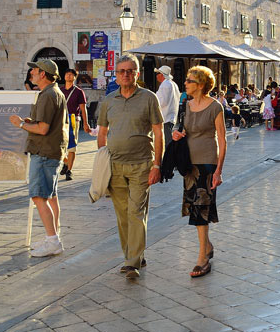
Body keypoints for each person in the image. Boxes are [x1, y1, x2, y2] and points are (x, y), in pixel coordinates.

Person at [97, 54, 164, 279]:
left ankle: (132, 261)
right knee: (123, 215)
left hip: (142, 165)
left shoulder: (149, 98)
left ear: (137, 73)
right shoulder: (108, 101)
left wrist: (157, 165)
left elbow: (158, 131)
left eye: (130, 71)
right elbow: (102, 133)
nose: (126, 74)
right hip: (115, 166)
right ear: (116, 75)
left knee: (136, 212)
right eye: (121, 71)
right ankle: (134, 254)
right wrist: (102, 163)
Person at [8, 60, 67, 257]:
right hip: (52, 151)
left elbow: (43, 129)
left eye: (34, 69)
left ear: (43, 74)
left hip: (44, 152)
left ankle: (53, 240)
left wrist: (20, 124)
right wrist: (29, 121)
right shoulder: (54, 93)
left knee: (38, 196)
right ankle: (53, 236)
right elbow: (45, 123)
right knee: (50, 196)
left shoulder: (48, 95)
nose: (31, 72)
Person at [173, 66, 226, 278]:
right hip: (189, 163)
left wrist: (218, 171)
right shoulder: (185, 105)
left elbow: (222, 140)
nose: (185, 83)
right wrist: (177, 135)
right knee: (194, 208)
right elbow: (179, 130)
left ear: (201, 85)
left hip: (207, 163)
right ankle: (207, 245)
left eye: (189, 80)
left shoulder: (215, 107)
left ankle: (202, 259)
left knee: (202, 208)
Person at [59, 69, 89, 181]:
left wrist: (85, 123)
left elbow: (83, 108)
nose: (68, 75)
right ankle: (65, 162)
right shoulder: (60, 90)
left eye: (71, 74)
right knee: (58, 146)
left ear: (74, 77)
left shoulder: (78, 92)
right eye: (67, 74)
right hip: (61, 120)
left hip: (73, 120)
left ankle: (69, 170)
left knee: (71, 147)